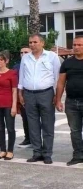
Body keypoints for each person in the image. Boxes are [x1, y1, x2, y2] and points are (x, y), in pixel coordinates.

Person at [18, 33, 60, 164]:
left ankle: (47, 153)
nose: (32, 45)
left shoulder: (52, 57)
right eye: (30, 42)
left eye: (35, 42)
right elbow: (22, 76)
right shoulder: (26, 58)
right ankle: (37, 152)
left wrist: (56, 96)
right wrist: (20, 93)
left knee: (48, 124)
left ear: (42, 43)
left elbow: (57, 77)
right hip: (29, 94)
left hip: (46, 94)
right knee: (33, 125)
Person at [56, 36, 83, 166]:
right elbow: (61, 83)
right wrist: (58, 100)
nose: (76, 47)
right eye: (74, 45)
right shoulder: (67, 63)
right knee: (75, 130)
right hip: (71, 102)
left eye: (79, 45)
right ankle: (78, 155)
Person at [14, 47, 32, 147]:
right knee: (25, 118)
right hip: (21, 95)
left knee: (35, 119)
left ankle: (36, 139)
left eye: (26, 52)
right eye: (21, 52)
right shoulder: (16, 67)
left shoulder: (33, 64)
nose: (23, 54)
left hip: (33, 93)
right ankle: (27, 138)